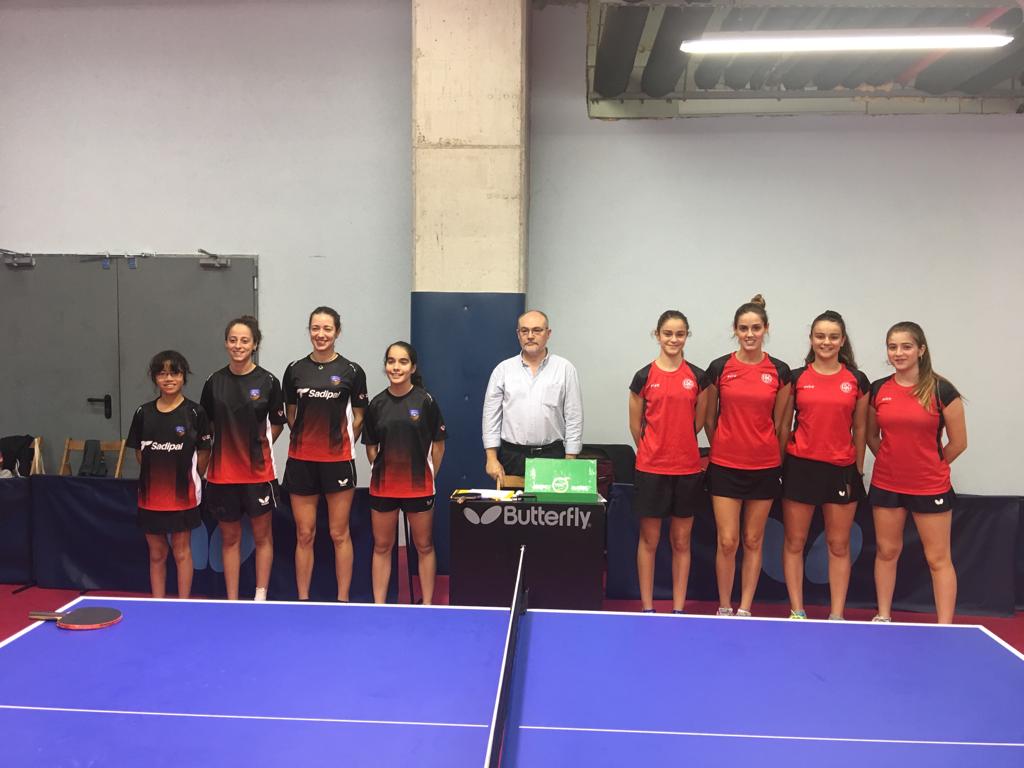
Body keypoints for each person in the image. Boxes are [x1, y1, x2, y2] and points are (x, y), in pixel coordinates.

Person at [868, 321, 967, 624]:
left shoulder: (942, 389)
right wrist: (890, 460)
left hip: (930, 487)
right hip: (887, 484)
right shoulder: (878, 389)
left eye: (906, 346)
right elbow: (871, 436)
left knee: (937, 559)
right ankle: (883, 615)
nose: (899, 353)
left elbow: (959, 443)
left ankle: (945, 625)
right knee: (886, 551)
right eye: (893, 347)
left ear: (921, 350)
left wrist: (932, 466)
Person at [705, 295, 791, 617]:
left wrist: (771, 455)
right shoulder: (720, 368)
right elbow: (710, 419)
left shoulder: (779, 371)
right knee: (728, 541)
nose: (750, 333)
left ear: (766, 329)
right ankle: (725, 605)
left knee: (753, 540)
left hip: (764, 468)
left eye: (756, 327)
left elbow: (782, 424)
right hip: (726, 467)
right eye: (744, 328)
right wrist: (725, 446)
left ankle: (744, 607)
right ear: (735, 331)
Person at [780, 311, 869, 620]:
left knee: (838, 544)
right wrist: (781, 466)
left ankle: (836, 614)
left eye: (833, 336)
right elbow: (783, 425)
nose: (826, 342)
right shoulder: (796, 378)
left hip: (840, 470)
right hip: (801, 468)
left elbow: (860, 429)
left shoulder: (856, 380)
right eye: (820, 336)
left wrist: (856, 469)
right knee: (795, 541)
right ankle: (797, 610)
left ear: (842, 341)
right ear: (812, 340)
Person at [282, 306, 367, 602]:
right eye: (316, 328)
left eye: (327, 329)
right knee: (304, 534)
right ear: (309, 331)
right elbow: (291, 414)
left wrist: (342, 443)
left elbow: (359, 416)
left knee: (338, 533)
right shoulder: (294, 370)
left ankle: (343, 599)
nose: (321, 334)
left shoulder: (352, 371)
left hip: (338, 463)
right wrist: (309, 440)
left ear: (337, 332)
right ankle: (303, 599)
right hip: (302, 462)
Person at [628, 310, 709, 614]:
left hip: (687, 470)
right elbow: (636, 426)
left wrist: (678, 446)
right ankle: (648, 607)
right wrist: (652, 449)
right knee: (649, 540)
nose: (673, 339)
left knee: (681, 542)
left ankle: (678, 608)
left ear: (687, 335)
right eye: (668, 334)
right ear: (657, 335)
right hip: (651, 470)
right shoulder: (643, 377)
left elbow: (698, 422)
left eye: (680, 334)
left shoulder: (698, 378)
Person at [201, 315, 286, 601]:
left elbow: (277, 422)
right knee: (230, 538)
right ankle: (233, 599)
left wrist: (260, 445)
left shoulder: (269, 381)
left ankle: (260, 595)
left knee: (263, 537)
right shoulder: (214, 382)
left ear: (255, 345)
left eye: (245, 341)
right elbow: (207, 425)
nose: (238, 345)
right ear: (226, 343)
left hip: (259, 475)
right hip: (223, 475)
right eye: (233, 340)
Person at [363, 342, 446, 605]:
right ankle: (379, 605)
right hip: (383, 488)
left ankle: (429, 604)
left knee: (424, 546)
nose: (395, 367)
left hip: (419, 488)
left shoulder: (426, 401)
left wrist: (429, 476)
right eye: (391, 361)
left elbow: (439, 446)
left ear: (413, 367)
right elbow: (371, 448)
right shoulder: (376, 404)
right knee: (382, 547)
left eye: (402, 362)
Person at [126, 350, 211, 599]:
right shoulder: (143, 412)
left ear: (183, 376)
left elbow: (204, 452)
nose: (168, 378)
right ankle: (158, 604)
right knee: (156, 553)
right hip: (151, 497)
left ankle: (183, 604)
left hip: (183, 497)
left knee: (182, 551)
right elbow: (140, 453)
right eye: (162, 374)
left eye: (174, 372)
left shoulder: (195, 413)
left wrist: (192, 476)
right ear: (155, 379)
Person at [482, 310, 583, 486]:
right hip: (512, 456)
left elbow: (574, 416)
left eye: (537, 330)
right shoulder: (503, 370)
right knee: (511, 511)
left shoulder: (565, 369)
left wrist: (571, 457)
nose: (530, 336)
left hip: (552, 455)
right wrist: (491, 458)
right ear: (518, 334)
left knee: (550, 512)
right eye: (524, 331)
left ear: (548, 334)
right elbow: (491, 417)